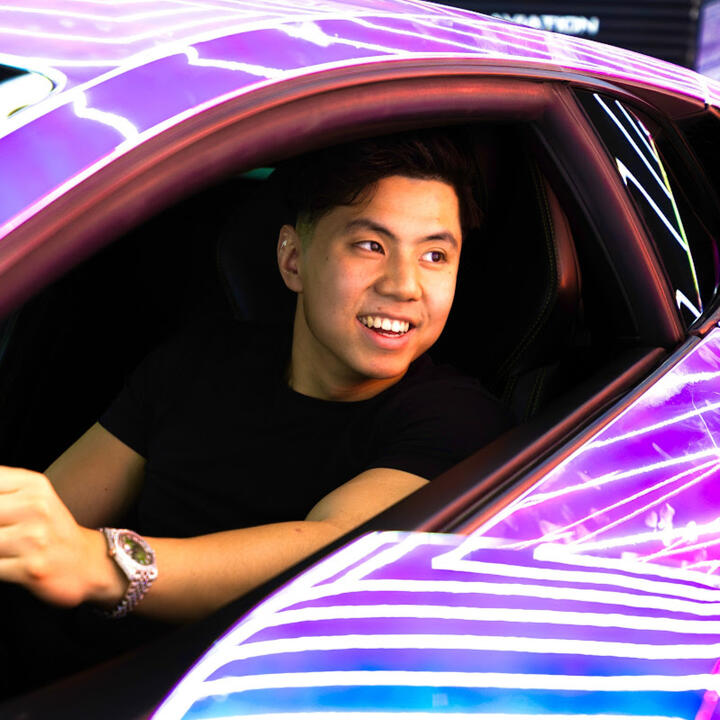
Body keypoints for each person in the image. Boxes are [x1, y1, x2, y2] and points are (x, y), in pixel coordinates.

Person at [0, 129, 512, 694]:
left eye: (435, 256)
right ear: (293, 259)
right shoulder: (200, 358)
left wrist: (99, 563)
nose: (404, 286)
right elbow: (48, 514)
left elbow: (334, 548)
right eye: (370, 245)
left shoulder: (460, 421)